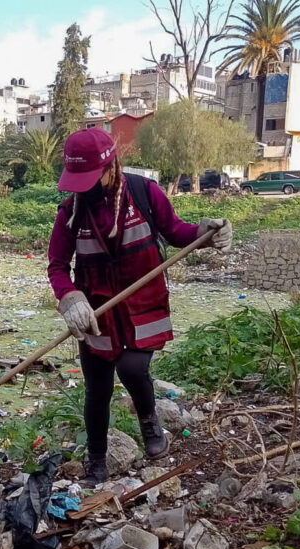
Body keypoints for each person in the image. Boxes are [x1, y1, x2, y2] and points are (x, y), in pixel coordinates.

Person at [47, 128, 232, 484]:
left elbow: (175, 231)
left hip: (142, 303)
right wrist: (69, 297)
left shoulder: (145, 193)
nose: (82, 187)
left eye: (90, 178)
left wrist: (203, 233)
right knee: (97, 388)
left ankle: (150, 423)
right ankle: (97, 460)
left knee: (133, 368)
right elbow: (57, 264)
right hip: (97, 314)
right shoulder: (71, 211)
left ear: (111, 166)